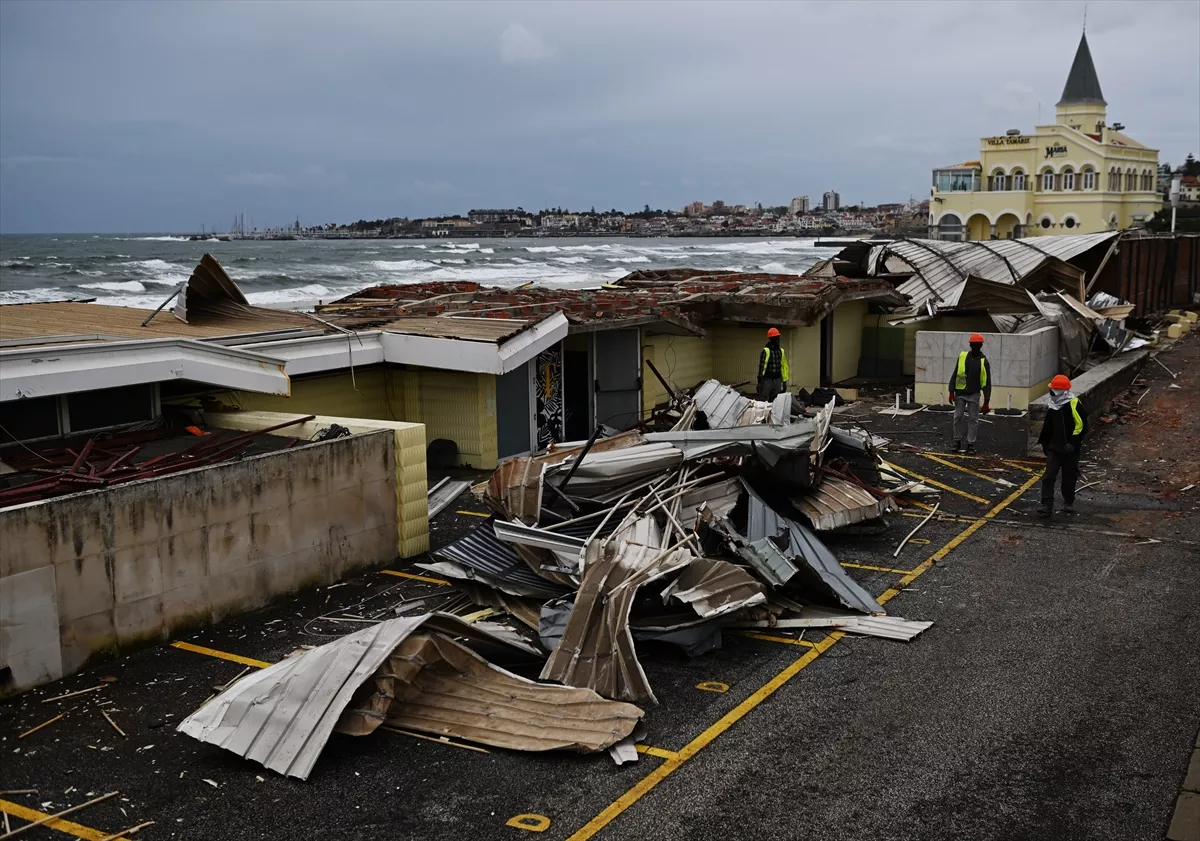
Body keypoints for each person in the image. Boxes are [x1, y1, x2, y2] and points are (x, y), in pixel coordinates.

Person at [1037, 374, 1088, 518]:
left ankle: (1068, 502)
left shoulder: (1073, 404)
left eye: (1054, 389)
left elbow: (1081, 425)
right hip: (1054, 447)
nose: (1051, 392)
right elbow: (1048, 426)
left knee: (1069, 477)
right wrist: (1046, 444)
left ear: (1062, 391)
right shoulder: (1053, 404)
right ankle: (1046, 505)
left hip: (1069, 449)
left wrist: (1073, 442)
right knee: (1048, 477)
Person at [947, 333, 992, 454]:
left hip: (974, 393)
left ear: (981, 345)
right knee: (958, 417)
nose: (975, 346)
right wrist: (951, 391)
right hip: (960, 392)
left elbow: (987, 382)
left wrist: (987, 401)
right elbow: (956, 373)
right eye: (973, 344)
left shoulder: (983, 361)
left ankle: (970, 444)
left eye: (977, 344)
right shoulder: (962, 356)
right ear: (970, 345)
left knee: (973, 419)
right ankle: (957, 441)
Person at [757, 327, 788, 400]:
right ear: (771, 339)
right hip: (768, 380)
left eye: (778, 337)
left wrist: (784, 382)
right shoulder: (766, 351)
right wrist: (760, 382)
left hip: (777, 379)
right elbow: (761, 367)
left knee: (776, 400)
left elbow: (784, 367)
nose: (778, 340)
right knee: (763, 399)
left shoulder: (781, 351)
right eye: (776, 338)